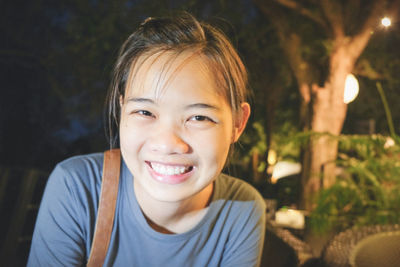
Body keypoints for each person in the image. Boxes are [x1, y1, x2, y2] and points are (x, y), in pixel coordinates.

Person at [28, 13, 266, 266]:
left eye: (198, 117)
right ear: (122, 110)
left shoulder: (242, 209)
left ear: (238, 124)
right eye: (145, 112)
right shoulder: (77, 188)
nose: (167, 143)